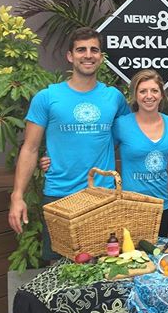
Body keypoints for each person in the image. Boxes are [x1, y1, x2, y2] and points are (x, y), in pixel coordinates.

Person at [8, 27, 129, 260]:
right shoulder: (47, 97)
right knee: (59, 272)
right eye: (81, 49)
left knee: (106, 268)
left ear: (101, 57)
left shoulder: (113, 97)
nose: (88, 55)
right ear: (70, 56)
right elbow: (30, 148)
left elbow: (128, 133)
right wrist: (17, 196)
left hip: (102, 197)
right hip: (60, 196)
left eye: (94, 50)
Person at [113, 69, 168, 237]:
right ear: (135, 95)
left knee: (158, 256)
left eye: (154, 90)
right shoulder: (121, 125)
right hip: (131, 206)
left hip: (161, 205)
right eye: (143, 91)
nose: (149, 96)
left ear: (161, 95)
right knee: (131, 258)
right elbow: (100, 151)